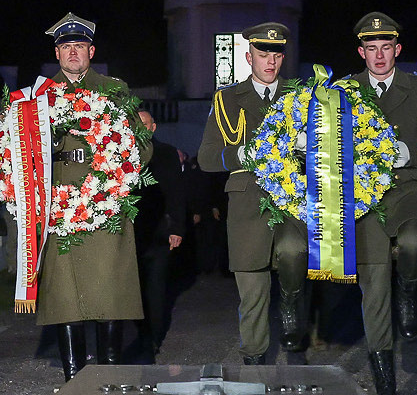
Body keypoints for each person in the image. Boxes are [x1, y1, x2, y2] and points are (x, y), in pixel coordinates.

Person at [346, 12, 417, 395]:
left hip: (408, 188)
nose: (379, 55)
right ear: (362, 52)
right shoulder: (343, 92)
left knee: (413, 243)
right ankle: (386, 389)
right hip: (364, 196)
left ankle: (408, 291)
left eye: (386, 47)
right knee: (374, 284)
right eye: (371, 48)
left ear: (398, 50)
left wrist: (409, 152)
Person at [36, 12, 149, 379]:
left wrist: (120, 173)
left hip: (105, 198)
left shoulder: (114, 89)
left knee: (109, 288)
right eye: (66, 46)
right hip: (60, 201)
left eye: (80, 46)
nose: (73, 52)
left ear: (92, 51)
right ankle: (73, 376)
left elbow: (140, 146)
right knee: (64, 293)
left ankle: (109, 374)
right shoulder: (38, 96)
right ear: (56, 53)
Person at [197, 22, 309, 365]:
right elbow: (206, 158)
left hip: (291, 196)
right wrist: (240, 154)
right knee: (252, 293)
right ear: (249, 57)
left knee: (294, 251)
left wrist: (309, 145)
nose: (270, 61)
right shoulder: (227, 99)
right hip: (247, 199)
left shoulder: (301, 96)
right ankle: (254, 361)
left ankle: (289, 303)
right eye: (263, 54)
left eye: (277, 54)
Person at [128, 140, 190, 362]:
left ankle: (152, 339)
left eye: (146, 124)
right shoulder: (120, 148)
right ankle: (135, 337)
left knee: (155, 289)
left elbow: (176, 192)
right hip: (129, 234)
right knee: (132, 289)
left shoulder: (165, 152)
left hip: (158, 233)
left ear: (153, 127)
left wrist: (177, 228)